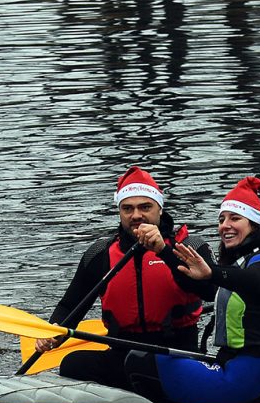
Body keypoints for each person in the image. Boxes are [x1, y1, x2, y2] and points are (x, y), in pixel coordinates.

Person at [124, 177, 260, 403]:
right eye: (221, 220)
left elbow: (255, 281)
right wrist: (163, 250)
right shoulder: (244, 262)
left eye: (235, 218)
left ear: (254, 224)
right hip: (252, 376)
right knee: (158, 356)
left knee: (141, 361)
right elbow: (198, 280)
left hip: (249, 384)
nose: (225, 225)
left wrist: (212, 272)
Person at [36, 166, 210, 389]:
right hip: (123, 355)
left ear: (159, 208)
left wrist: (163, 252)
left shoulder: (189, 247)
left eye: (145, 207)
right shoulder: (99, 254)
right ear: (120, 212)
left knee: (150, 371)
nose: (136, 215)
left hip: (176, 355)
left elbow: (210, 291)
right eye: (127, 208)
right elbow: (71, 305)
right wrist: (52, 334)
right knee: (71, 363)